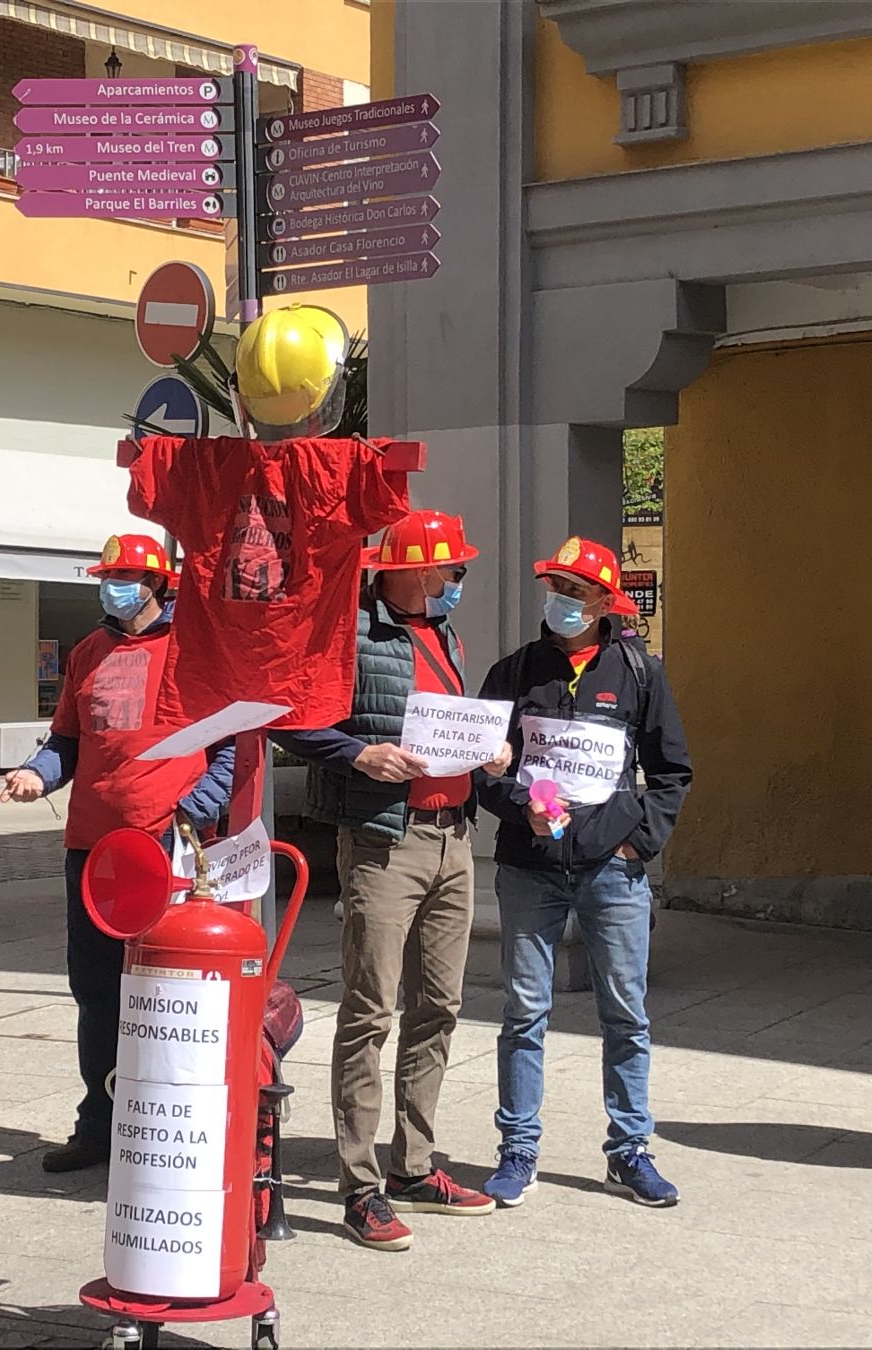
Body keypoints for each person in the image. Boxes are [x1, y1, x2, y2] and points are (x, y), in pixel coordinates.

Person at [273, 510, 505, 1251]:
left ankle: (413, 1165)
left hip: (453, 839)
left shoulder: (447, 636)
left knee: (439, 1005)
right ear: (407, 571)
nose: (455, 581)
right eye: (447, 570)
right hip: (383, 842)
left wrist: (490, 755)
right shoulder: (350, 633)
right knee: (370, 1009)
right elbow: (288, 717)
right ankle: (359, 1185)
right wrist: (355, 754)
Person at [2, 533, 234, 1172]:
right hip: (93, 850)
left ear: (160, 583)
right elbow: (65, 744)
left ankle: (165, 1126)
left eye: (129, 575)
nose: (115, 586)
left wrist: (194, 808)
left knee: (165, 990)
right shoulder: (87, 652)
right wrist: (37, 774)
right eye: (109, 575)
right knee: (97, 991)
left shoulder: (197, 651)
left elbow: (229, 749)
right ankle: (98, 1125)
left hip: (167, 849)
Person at [477, 536, 693, 1209]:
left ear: (605, 602)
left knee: (625, 1014)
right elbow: (483, 771)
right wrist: (519, 806)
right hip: (530, 869)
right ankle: (518, 1150)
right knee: (523, 1013)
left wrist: (638, 844)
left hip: (613, 872)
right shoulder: (513, 673)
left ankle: (628, 1150)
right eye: (556, 588)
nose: (561, 602)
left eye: (575, 592)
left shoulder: (639, 672)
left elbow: (671, 770)